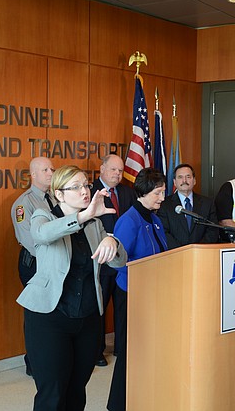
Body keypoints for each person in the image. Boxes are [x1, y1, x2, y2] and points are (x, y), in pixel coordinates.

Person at [17, 165, 127, 411]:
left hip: (87, 317)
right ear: (59, 194)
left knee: (78, 390)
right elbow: (43, 235)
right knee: (52, 393)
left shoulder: (95, 224)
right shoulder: (43, 216)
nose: (85, 191)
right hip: (49, 317)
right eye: (75, 187)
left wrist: (112, 240)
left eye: (86, 185)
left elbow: (119, 260)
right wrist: (83, 217)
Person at [107, 167, 168, 411]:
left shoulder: (154, 218)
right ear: (143, 192)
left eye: (163, 192)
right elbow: (118, 262)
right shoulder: (129, 221)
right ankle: (119, 404)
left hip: (153, 294)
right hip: (131, 294)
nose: (163, 198)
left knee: (146, 351)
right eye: (158, 193)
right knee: (130, 352)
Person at [11, 156, 55, 376]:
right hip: (36, 263)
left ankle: (52, 359)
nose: (51, 173)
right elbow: (29, 239)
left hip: (56, 263)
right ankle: (33, 363)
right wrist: (54, 257)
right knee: (36, 315)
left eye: (52, 169)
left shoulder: (55, 198)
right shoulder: (24, 203)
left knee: (54, 313)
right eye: (45, 169)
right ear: (34, 175)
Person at [91, 154, 135, 366]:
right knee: (99, 307)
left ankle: (122, 348)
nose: (117, 174)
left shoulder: (127, 192)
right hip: (101, 260)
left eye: (120, 171)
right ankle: (97, 350)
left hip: (123, 259)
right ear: (102, 169)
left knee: (123, 306)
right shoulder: (91, 192)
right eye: (113, 170)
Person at [156, 163, 219, 249]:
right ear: (174, 182)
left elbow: (213, 230)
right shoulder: (165, 204)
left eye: (188, 177)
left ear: (194, 181)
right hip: (175, 255)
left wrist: (197, 249)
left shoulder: (207, 203)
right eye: (180, 177)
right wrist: (182, 252)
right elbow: (163, 232)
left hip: (201, 254)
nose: (184, 180)